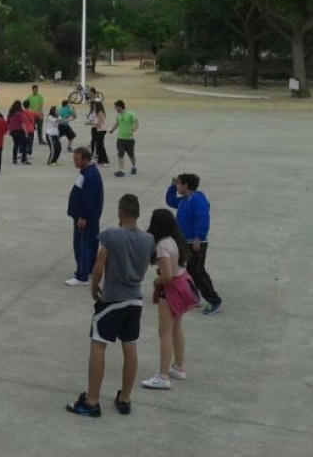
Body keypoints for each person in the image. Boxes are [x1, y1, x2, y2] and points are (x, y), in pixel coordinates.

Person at [66, 194, 154, 418]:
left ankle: (92, 401)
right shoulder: (148, 240)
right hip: (135, 300)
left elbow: (99, 266)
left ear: (121, 213)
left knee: (98, 345)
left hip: (113, 299)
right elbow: (143, 271)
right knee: (130, 346)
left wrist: (94, 286)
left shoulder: (110, 235)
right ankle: (125, 398)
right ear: (137, 214)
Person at [141, 208, 198, 390]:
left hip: (171, 289)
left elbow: (166, 276)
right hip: (183, 283)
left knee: (164, 332)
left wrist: (156, 280)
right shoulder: (175, 241)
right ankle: (179, 366)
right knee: (177, 328)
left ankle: (163, 375)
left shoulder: (162, 246)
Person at [167, 173, 223, 315]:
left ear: (186, 185)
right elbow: (171, 201)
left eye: (179, 183)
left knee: (196, 271)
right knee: (190, 270)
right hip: (186, 241)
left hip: (196, 242)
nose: (178, 185)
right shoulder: (186, 199)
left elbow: (203, 217)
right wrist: (172, 187)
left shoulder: (197, 200)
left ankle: (214, 300)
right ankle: (194, 296)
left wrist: (199, 236)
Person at [64, 147, 104, 286]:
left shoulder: (90, 176)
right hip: (87, 217)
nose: (74, 161)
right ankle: (90, 268)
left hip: (86, 218)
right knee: (91, 243)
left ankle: (82, 275)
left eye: (76, 159)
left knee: (83, 244)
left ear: (85, 159)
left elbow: (89, 199)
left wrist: (83, 216)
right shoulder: (87, 172)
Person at [108, 99, 140, 177]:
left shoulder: (130, 114)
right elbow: (117, 124)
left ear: (120, 107)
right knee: (120, 154)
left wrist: (132, 130)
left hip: (129, 138)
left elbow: (136, 123)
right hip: (120, 138)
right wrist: (112, 130)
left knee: (131, 154)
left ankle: (134, 166)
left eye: (116, 107)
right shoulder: (118, 115)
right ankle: (121, 170)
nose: (115, 109)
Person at [6, 100, 28, 166]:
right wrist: (26, 132)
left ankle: (14, 159)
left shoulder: (10, 113)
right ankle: (24, 159)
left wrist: (9, 130)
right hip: (20, 130)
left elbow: (8, 122)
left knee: (16, 144)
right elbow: (22, 124)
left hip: (13, 131)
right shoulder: (20, 113)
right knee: (24, 144)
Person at [89, 101, 110, 167]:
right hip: (99, 130)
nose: (94, 107)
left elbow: (98, 123)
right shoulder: (97, 113)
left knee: (101, 146)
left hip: (101, 130)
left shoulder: (100, 113)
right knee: (98, 146)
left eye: (95, 106)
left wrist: (89, 123)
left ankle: (105, 160)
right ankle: (100, 160)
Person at [28, 84, 46, 149]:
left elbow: (41, 106)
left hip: (38, 114)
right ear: (32, 89)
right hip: (32, 115)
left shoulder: (40, 96)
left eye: (37, 89)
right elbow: (28, 106)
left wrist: (40, 114)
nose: (36, 90)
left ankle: (40, 140)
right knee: (30, 128)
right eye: (35, 89)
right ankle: (29, 140)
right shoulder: (29, 97)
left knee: (40, 127)